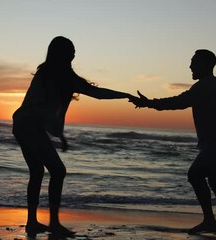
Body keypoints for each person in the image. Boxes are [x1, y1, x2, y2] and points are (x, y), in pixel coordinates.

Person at [12, 36, 134, 237]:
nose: (74, 54)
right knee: (58, 171)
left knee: (37, 172)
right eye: (71, 50)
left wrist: (58, 134)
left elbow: (49, 110)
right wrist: (126, 95)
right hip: (30, 125)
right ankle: (53, 223)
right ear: (61, 53)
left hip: (21, 124)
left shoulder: (49, 74)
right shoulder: (59, 77)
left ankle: (33, 222)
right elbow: (97, 93)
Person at [130, 49, 216, 237]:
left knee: (195, 174)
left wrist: (148, 103)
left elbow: (178, 102)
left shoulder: (204, 86)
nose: (190, 66)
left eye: (194, 62)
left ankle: (211, 220)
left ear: (206, 65)